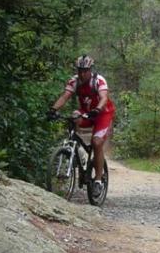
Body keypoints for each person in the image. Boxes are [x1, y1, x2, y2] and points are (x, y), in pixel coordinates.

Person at [48, 54, 115, 197]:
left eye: (85, 70)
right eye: (80, 70)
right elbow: (65, 96)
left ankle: (97, 180)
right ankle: (76, 152)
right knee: (73, 116)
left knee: (96, 143)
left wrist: (97, 109)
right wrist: (53, 110)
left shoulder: (98, 80)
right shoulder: (74, 81)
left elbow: (104, 98)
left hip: (103, 114)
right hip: (86, 112)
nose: (82, 73)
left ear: (90, 70)